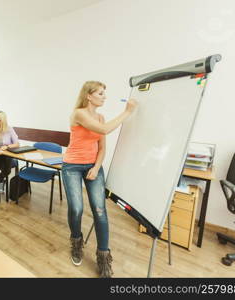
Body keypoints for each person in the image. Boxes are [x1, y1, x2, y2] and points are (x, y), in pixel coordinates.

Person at [62, 81, 137, 277]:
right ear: (89, 95)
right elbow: (103, 130)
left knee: (100, 210)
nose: (105, 96)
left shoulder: (101, 117)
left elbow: (102, 148)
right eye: (101, 93)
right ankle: (76, 243)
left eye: (105, 93)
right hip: (72, 167)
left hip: (93, 166)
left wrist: (96, 167)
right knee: (76, 208)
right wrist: (127, 112)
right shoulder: (79, 113)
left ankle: (103, 258)